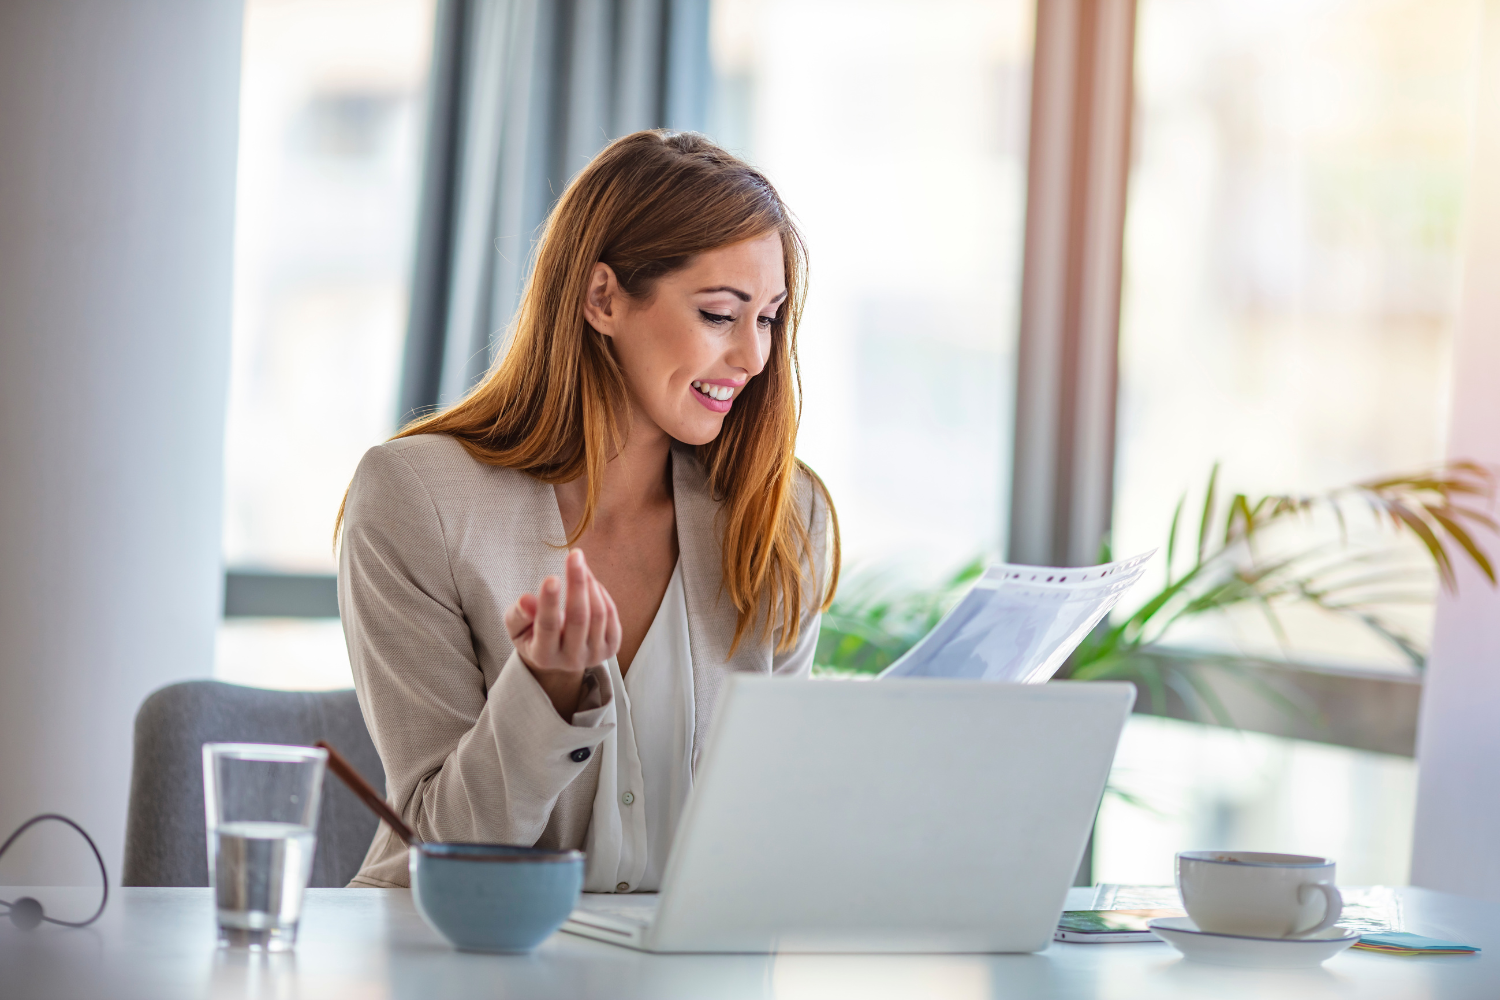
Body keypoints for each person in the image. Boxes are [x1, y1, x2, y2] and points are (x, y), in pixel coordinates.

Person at [335, 130, 839, 891]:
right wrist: (544, 691)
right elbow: (435, 842)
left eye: (768, 317)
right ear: (603, 298)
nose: (754, 357)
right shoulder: (418, 499)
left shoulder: (778, 514)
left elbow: (771, 830)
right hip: (470, 964)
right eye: (718, 313)